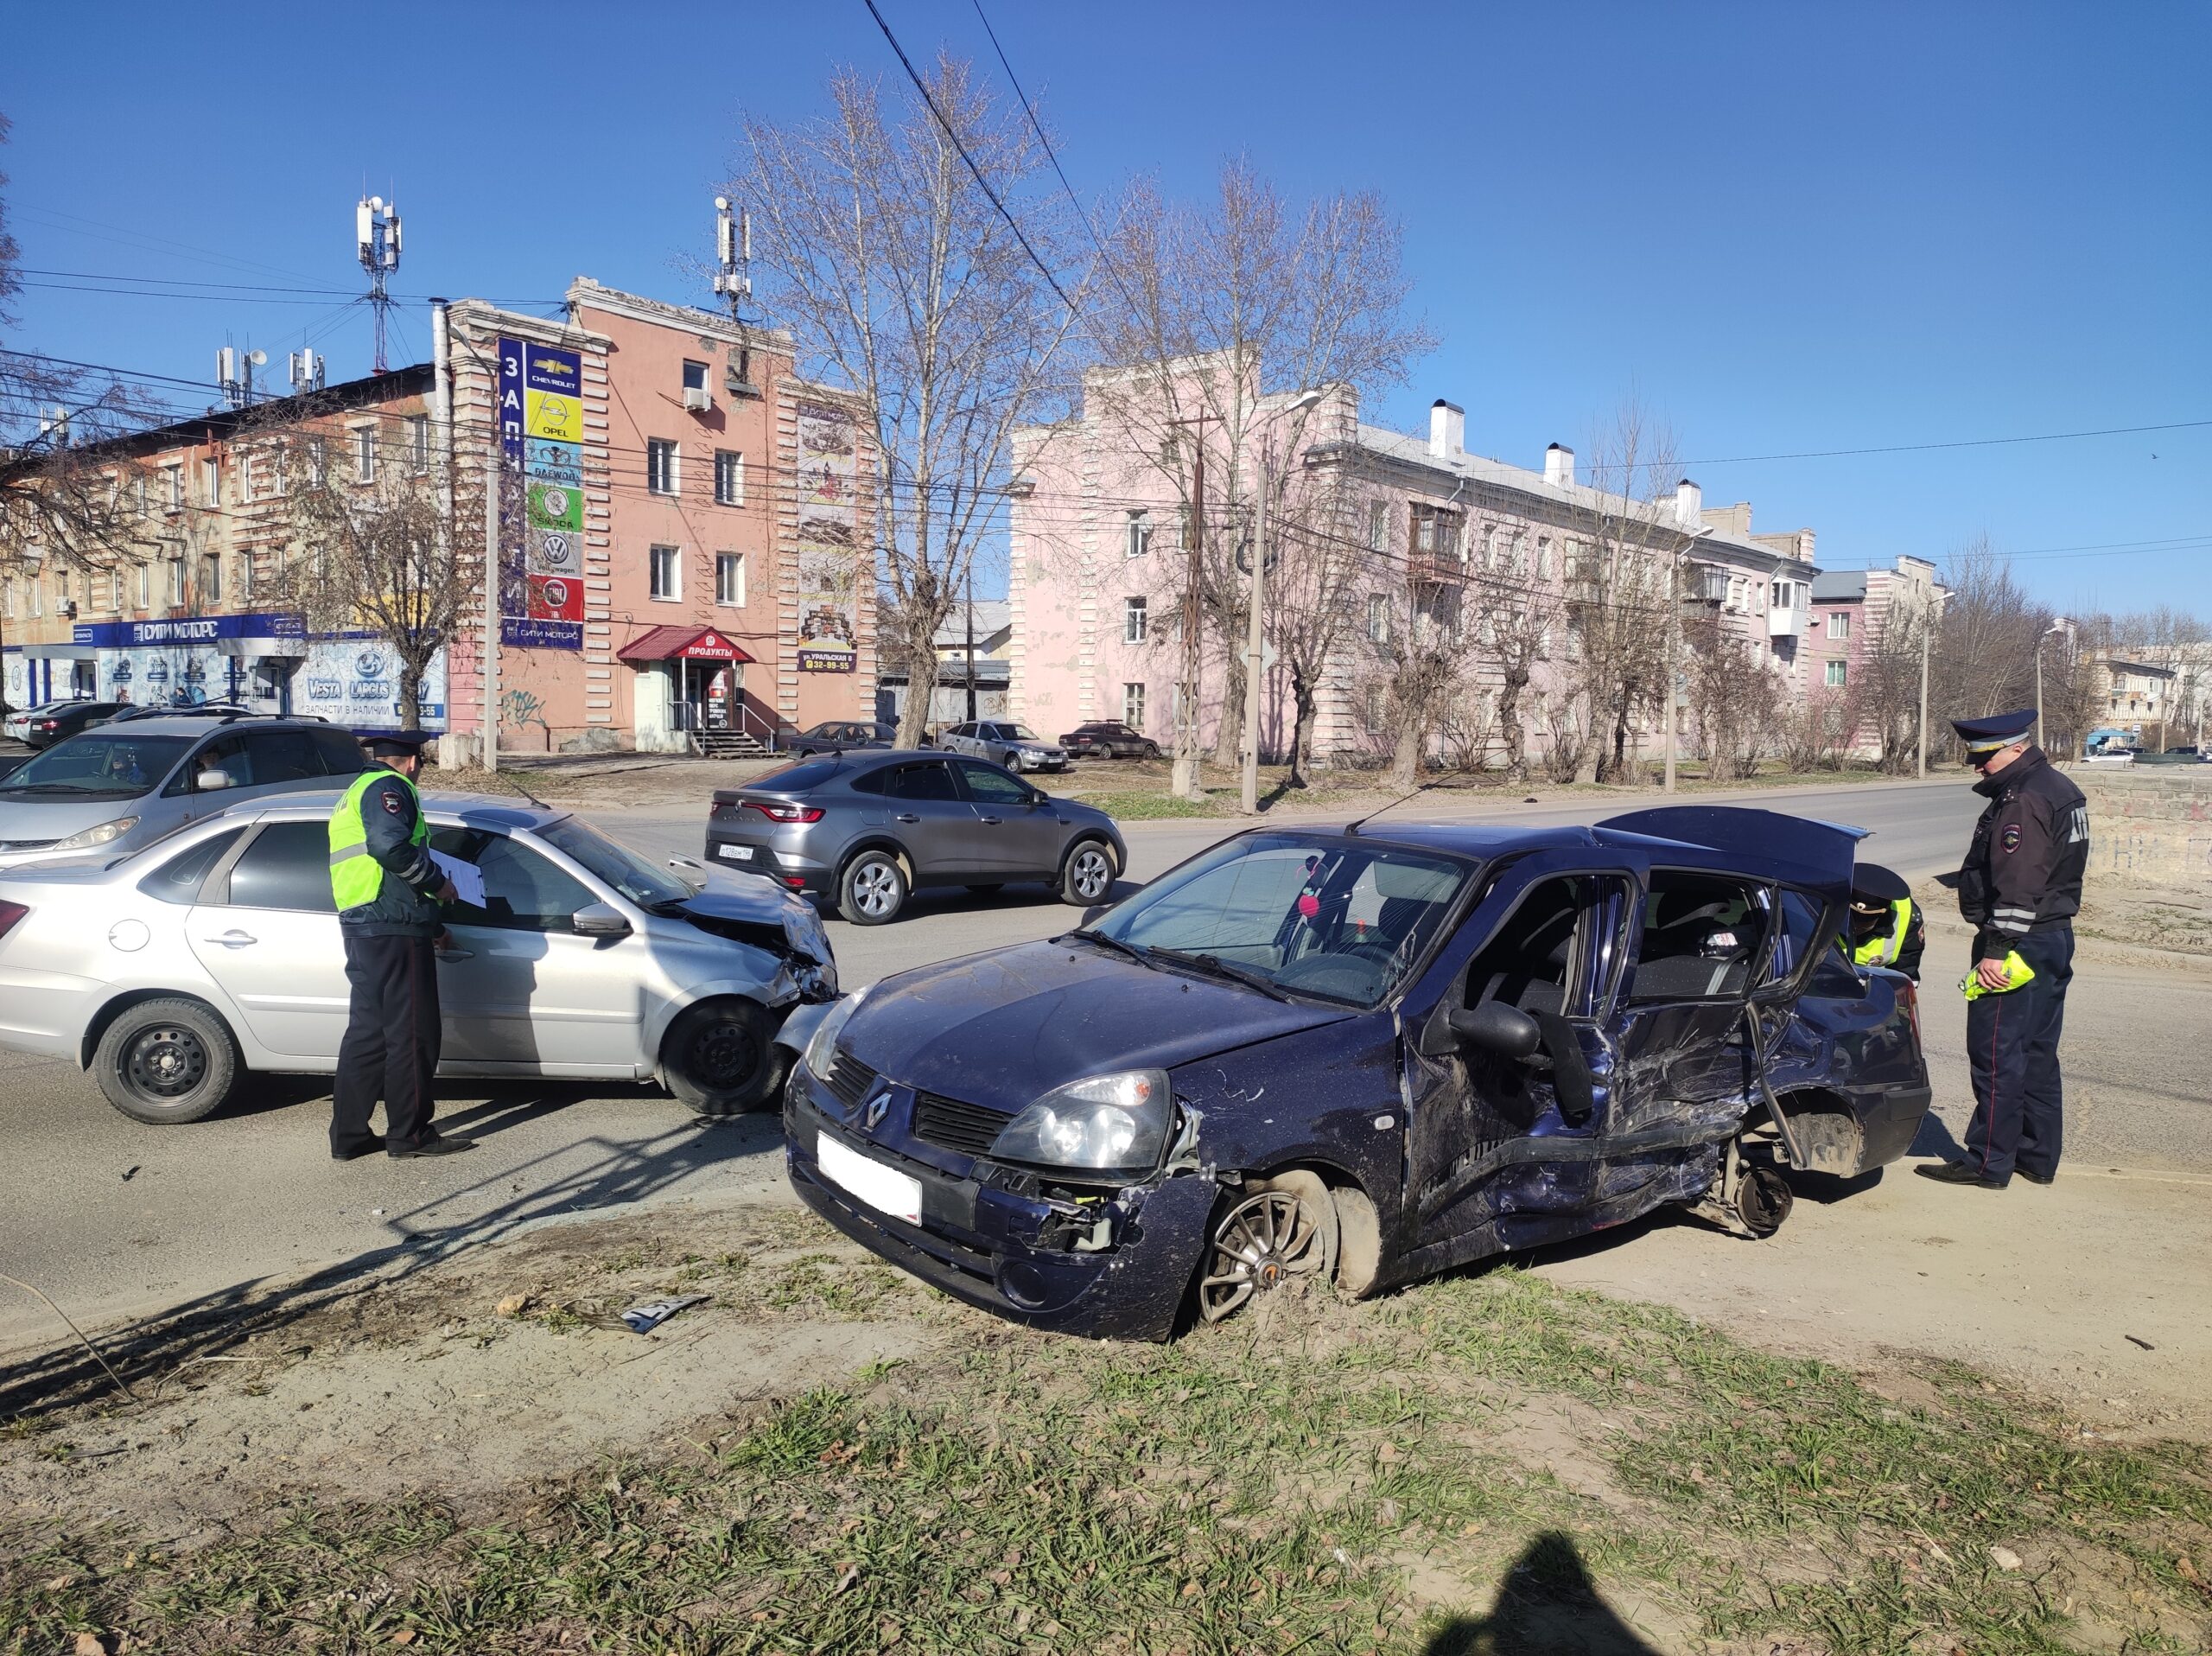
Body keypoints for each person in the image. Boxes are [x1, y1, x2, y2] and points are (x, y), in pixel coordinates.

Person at [1917, 708, 2088, 1191]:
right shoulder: (2059, 787)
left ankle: (1988, 1163)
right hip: (2051, 936)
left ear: (2015, 748)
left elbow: (2019, 881)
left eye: (1985, 757)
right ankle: (2037, 1157)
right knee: (2036, 1052)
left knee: (1996, 1052)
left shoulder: (2023, 800)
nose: (1978, 767)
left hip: (2018, 942)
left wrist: (1996, 947)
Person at [327, 730, 474, 1161]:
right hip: (392, 925)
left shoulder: (355, 790)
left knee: (367, 1036)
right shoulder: (390, 787)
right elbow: (389, 847)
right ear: (412, 762)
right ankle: (409, 1136)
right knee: (412, 1035)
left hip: (366, 923)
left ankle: (349, 1137)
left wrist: (434, 929)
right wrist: (439, 883)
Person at [1846, 861, 1924, 980]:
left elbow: (1906, 970)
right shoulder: (1822, 905)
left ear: (1883, 912)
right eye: (1852, 920)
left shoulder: (1907, 916)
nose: (1856, 928)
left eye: (1865, 922)